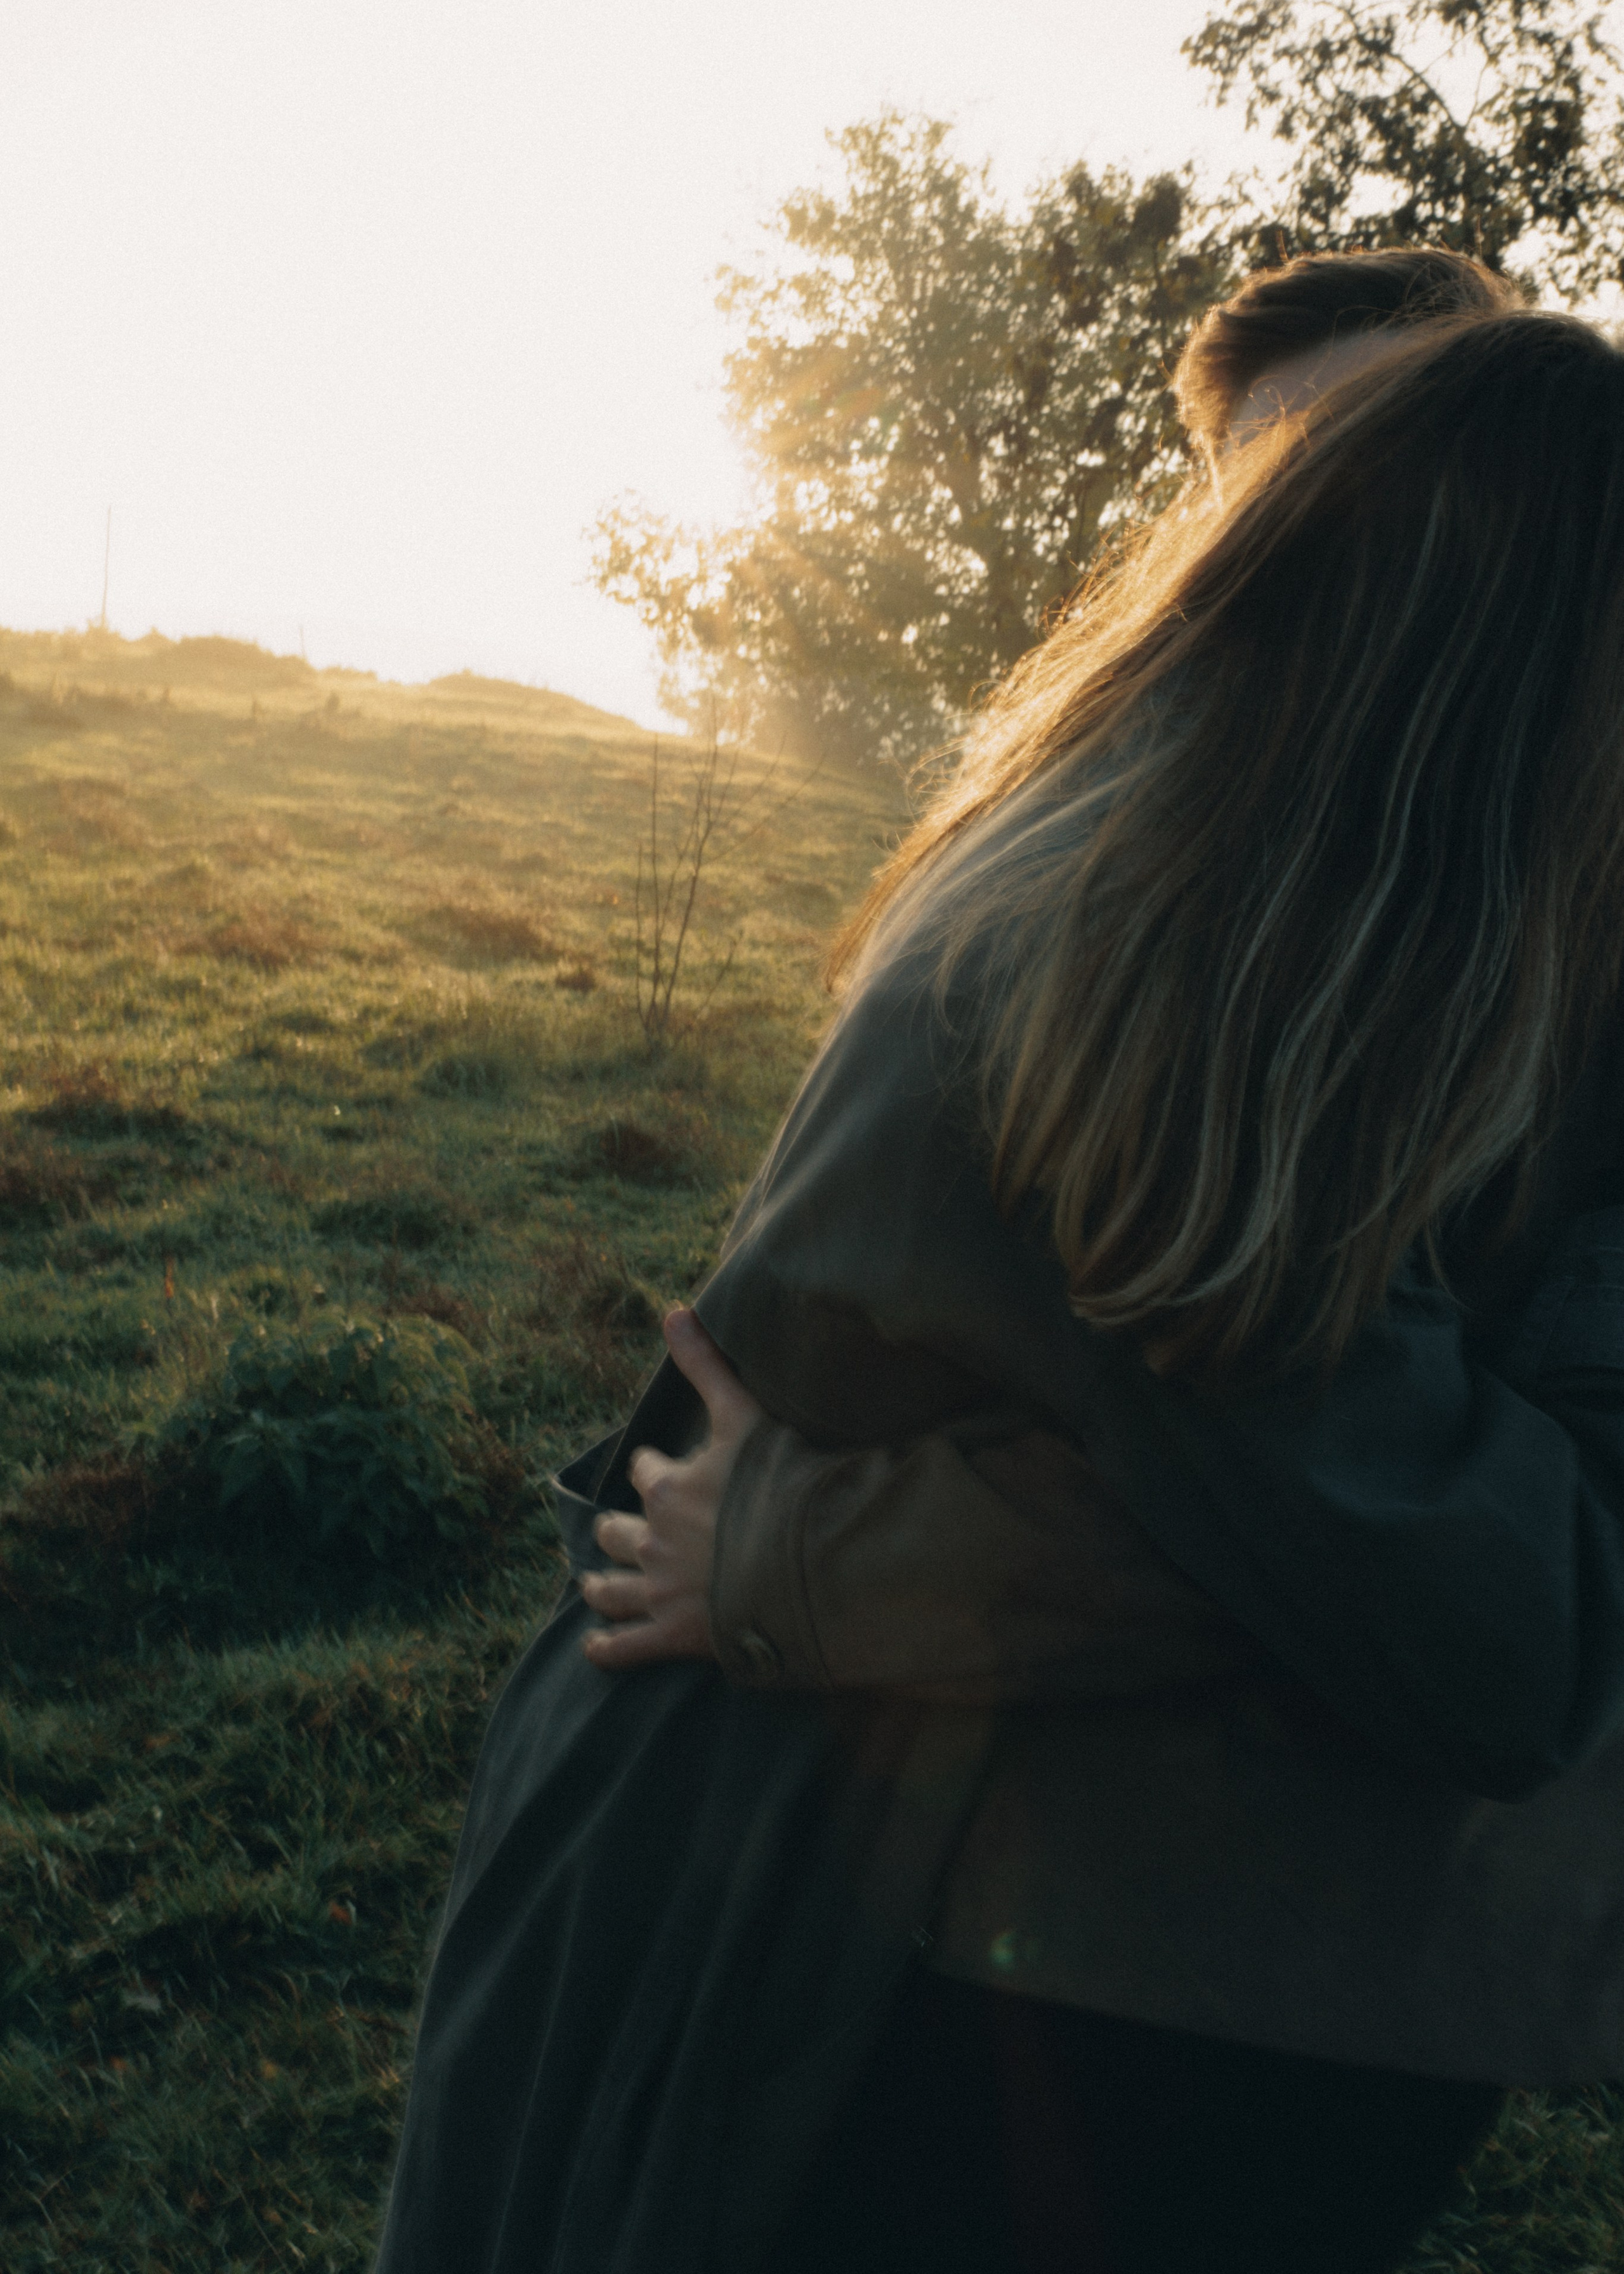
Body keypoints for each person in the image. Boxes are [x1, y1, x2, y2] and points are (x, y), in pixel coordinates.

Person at [376, 261, 1624, 2274]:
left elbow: (1432, 1547)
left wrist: (816, 1548)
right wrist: (801, 1559)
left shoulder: (1426, 974)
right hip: (820, 1882)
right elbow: (1498, 1619)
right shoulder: (1164, 996)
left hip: (1095, 1930)